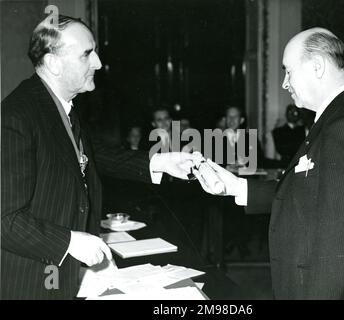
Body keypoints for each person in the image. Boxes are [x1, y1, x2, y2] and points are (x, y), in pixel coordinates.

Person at [1, 15, 200, 299]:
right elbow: (3, 220)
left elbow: (91, 154)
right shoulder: (16, 117)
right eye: (87, 54)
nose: (98, 63)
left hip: (61, 277)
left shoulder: (56, 106)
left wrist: (159, 162)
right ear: (53, 62)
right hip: (31, 283)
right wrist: (70, 242)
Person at [194, 28, 344, 299]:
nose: (284, 83)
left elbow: (341, 245)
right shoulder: (341, 113)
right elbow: (306, 189)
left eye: (288, 71)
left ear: (317, 67)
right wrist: (234, 187)